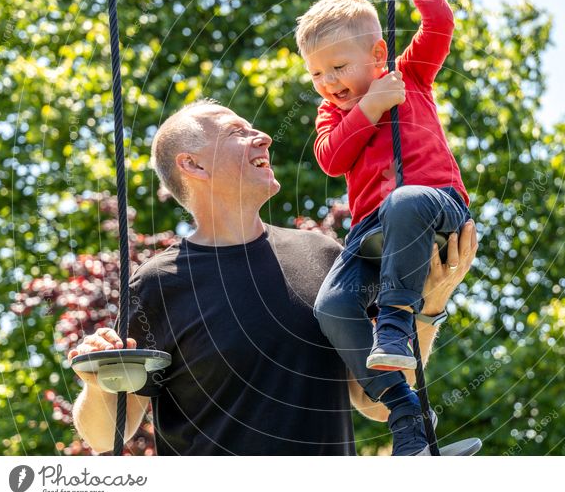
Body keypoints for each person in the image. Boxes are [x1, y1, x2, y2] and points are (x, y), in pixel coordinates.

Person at [68, 99, 477, 455]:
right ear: (192, 164)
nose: (263, 136)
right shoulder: (158, 283)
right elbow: (108, 436)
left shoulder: (324, 256)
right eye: (237, 132)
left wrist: (428, 309)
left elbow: (373, 401)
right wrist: (100, 382)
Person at [295, 0, 471, 455]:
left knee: (404, 200)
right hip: (372, 232)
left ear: (377, 54)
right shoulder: (336, 111)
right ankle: (406, 417)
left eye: (339, 67)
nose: (328, 83)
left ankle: (394, 323)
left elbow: (439, 22)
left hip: (434, 209)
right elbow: (331, 158)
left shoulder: (410, 75)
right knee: (332, 305)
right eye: (317, 73)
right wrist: (369, 109)